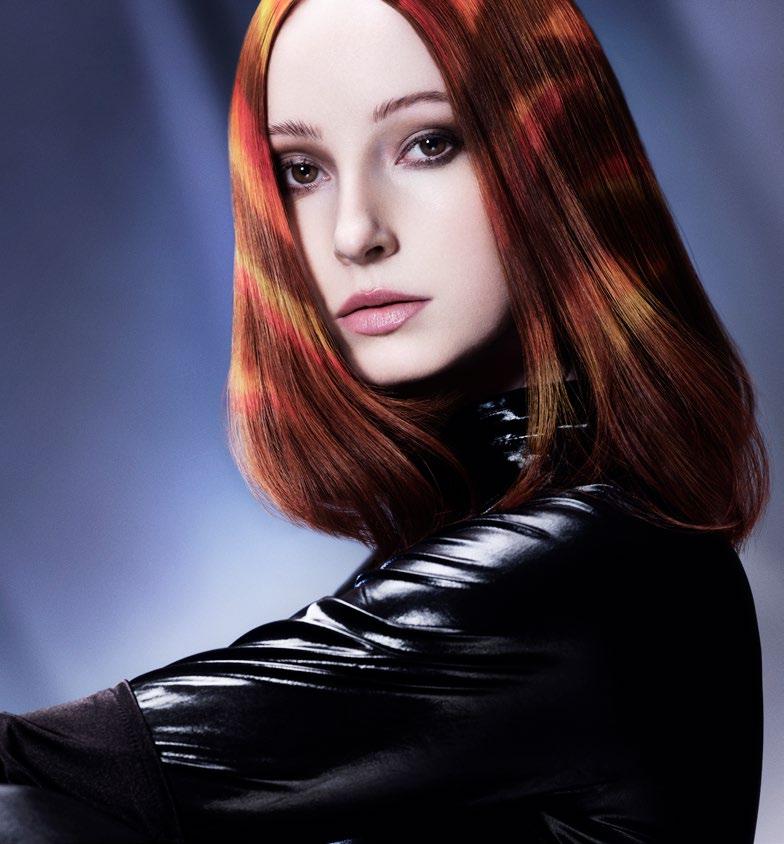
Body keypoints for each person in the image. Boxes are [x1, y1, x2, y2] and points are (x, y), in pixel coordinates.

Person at [0, 0, 769, 841]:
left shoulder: (583, 570)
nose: (354, 232)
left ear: (557, 160)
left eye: (428, 143)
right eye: (302, 170)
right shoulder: (569, 541)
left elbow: (57, 774)